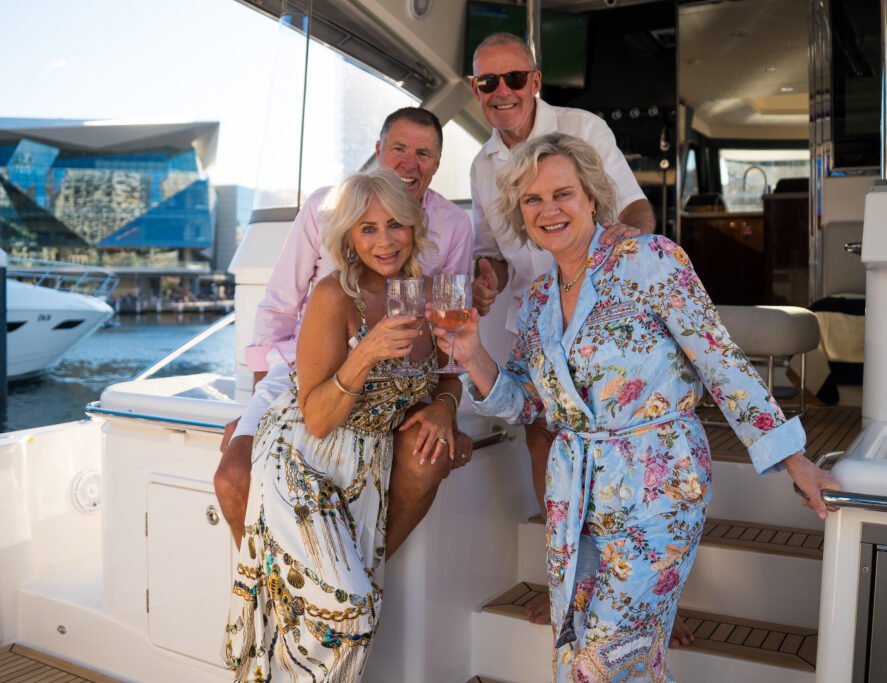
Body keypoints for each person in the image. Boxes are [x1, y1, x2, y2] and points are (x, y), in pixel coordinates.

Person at [433, 133, 838, 681]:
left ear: (592, 197)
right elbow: (529, 404)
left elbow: (723, 365)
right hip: (574, 501)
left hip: (657, 489)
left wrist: (797, 462)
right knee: (592, 657)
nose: (549, 209)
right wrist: (472, 353)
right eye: (533, 200)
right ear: (519, 212)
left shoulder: (651, 260)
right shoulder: (536, 301)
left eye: (563, 194)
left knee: (600, 670)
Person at [467, 30, 672, 632]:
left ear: (534, 80)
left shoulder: (583, 128)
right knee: (544, 444)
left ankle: (650, 595)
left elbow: (634, 208)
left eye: (513, 78)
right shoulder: (480, 165)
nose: (501, 92)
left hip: (602, 316)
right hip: (535, 322)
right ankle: (572, 583)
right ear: (476, 91)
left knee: (626, 454)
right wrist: (485, 279)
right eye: (487, 82)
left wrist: (625, 258)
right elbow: (494, 250)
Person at [225, 168, 455, 681]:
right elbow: (318, 417)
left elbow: (446, 371)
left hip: (365, 475)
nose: (384, 240)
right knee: (349, 610)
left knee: (341, 614)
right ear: (348, 236)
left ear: (414, 227)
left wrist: (444, 404)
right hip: (303, 465)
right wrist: (366, 352)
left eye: (395, 224)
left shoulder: (422, 293)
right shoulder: (335, 295)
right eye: (368, 228)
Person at [214, 107, 474, 559]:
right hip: (302, 373)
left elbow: (452, 333)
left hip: (396, 381)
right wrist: (259, 405)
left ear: (436, 163)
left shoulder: (452, 225)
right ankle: (276, 591)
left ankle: (362, 574)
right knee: (234, 476)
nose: (409, 163)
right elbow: (278, 305)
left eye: (424, 153)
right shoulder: (323, 206)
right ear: (378, 150)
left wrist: (446, 407)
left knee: (428, 453)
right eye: (398, 148)